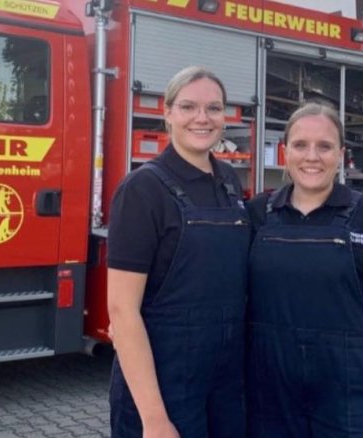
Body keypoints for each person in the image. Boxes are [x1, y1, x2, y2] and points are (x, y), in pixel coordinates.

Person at [246, 102, 363, 438]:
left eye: (324, 146)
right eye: (300, 145)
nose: (312, 156)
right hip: (269, 398)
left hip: (349, 399)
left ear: (340, 154)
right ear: (285, 152)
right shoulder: (256, 215)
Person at [107, 66, 249, 438]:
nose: (202, 118)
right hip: (165, 386)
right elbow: (122, 311)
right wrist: (154, 419)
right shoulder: (142, 190)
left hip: (225, 385)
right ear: (167, 113)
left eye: (214, 108)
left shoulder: (230, 183)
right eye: (188, 107)